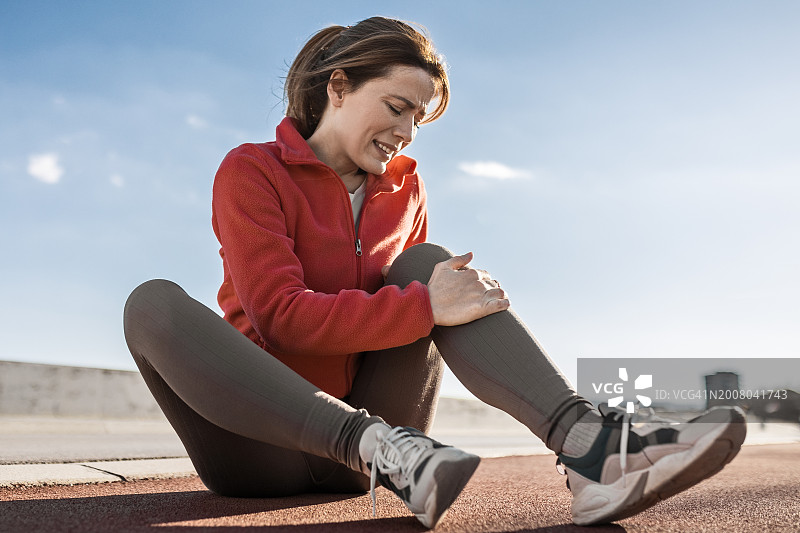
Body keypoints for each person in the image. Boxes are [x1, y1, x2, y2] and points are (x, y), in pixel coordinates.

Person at [123, 16, 747, 528]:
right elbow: (280, 319)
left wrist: (434, 299)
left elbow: (416, 309)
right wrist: (426, 308)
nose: (406, 132)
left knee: (427, 263)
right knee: (150, 303)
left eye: (418, 119)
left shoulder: (406, 190)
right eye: (396, 107)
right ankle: (371, 442)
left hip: (384, 457)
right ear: (337, 87)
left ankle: (590, 448)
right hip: (265, 450)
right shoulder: (253, 171)